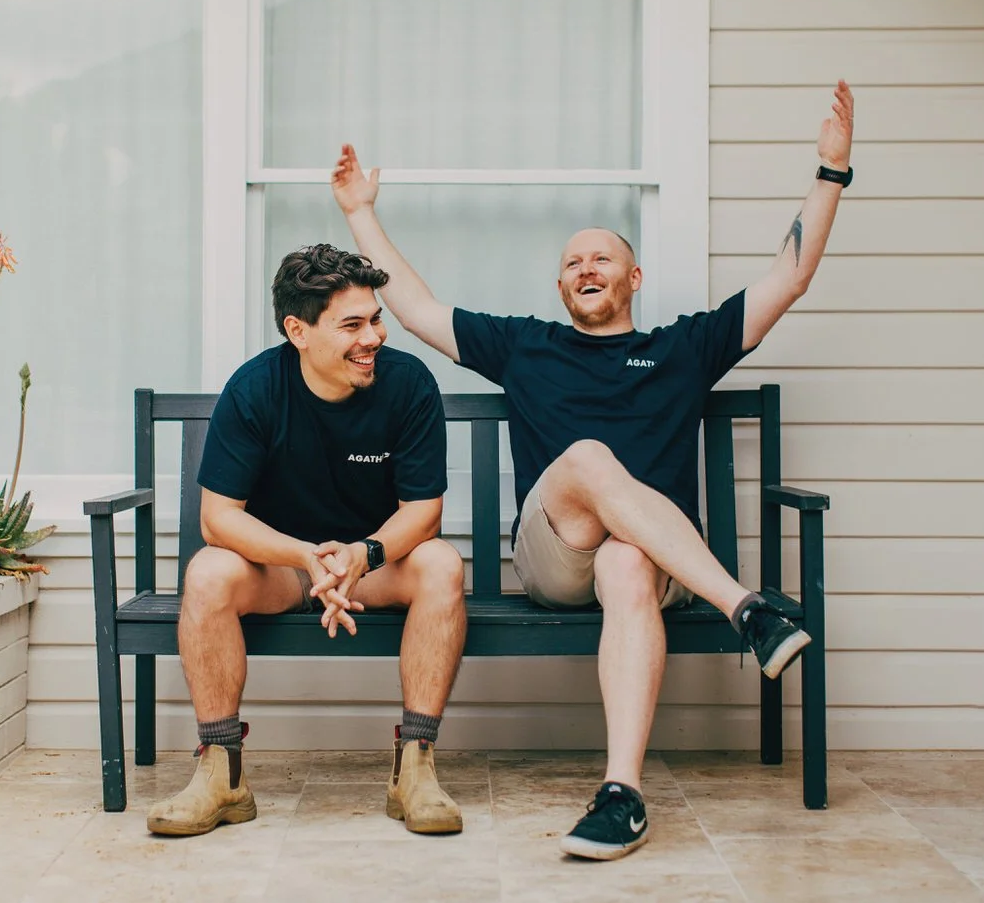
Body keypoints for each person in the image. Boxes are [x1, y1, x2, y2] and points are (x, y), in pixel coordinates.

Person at [329, 81, 855, 860]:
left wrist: (830, 173)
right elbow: (414, 308)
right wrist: (358, 213)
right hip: (553, 554)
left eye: (602, 256)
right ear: (561, 284)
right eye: (572, 260)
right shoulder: (525, 347)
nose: (585, 266)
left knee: (627, 554)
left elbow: (788, 277)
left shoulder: (684, 347)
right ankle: (749, 609)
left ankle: (622, 793)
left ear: (632, 279)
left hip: (651, 563)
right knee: (587, 459)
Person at [146, 243, 468, 837]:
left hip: (371, 565)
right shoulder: (255, 389)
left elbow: (423, 511)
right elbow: (218, 518)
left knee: (443, 564)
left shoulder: (407, 384)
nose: (372, 336)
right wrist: (303, 555)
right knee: (209, 572)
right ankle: (222, 774)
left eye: (375, 319)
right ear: (298, 330)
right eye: (352, 324)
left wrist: (361, 553)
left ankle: (415, 769)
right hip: (283, 569)